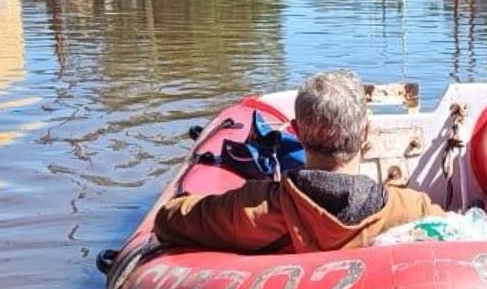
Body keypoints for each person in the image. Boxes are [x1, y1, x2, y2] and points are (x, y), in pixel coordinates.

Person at [154, 69, 443, 253]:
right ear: (366, 133)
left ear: (295, 131)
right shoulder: (412, 209)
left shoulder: (251, 209)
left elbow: (168, 220)